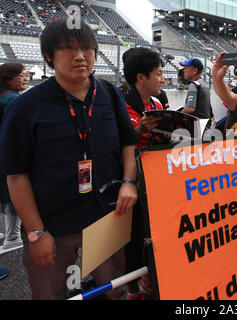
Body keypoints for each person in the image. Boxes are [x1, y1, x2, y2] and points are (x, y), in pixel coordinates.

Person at [0, 18, 138, 300]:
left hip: (106, 217)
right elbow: (16, 174)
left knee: (114, 291)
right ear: (49, 55)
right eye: (68, 48)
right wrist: (36, 232)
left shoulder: (109, 94)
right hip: (53, 223)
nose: (80, 56)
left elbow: (128, 144)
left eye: (87, 48)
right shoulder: (26, 107)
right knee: (49, 293)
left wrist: (128, 182)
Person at [121, 47, 165, 300]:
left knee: (155, 233)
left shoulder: (158, 102)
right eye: (158, 74)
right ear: (141, 77)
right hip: (131, 184)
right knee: (135, 237)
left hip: (157, 180)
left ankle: (151, 278)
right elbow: (113, 144)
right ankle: (132, 287)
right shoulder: (120, 103)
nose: (163, 79)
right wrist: (138, 131)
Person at [0, 62, 28, 250]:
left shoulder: (4, 97)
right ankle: (12, 237)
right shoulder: (13, 100)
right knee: (13, 194)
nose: (26, 78)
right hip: (9, 154)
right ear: (9, 77)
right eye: (22, 75)